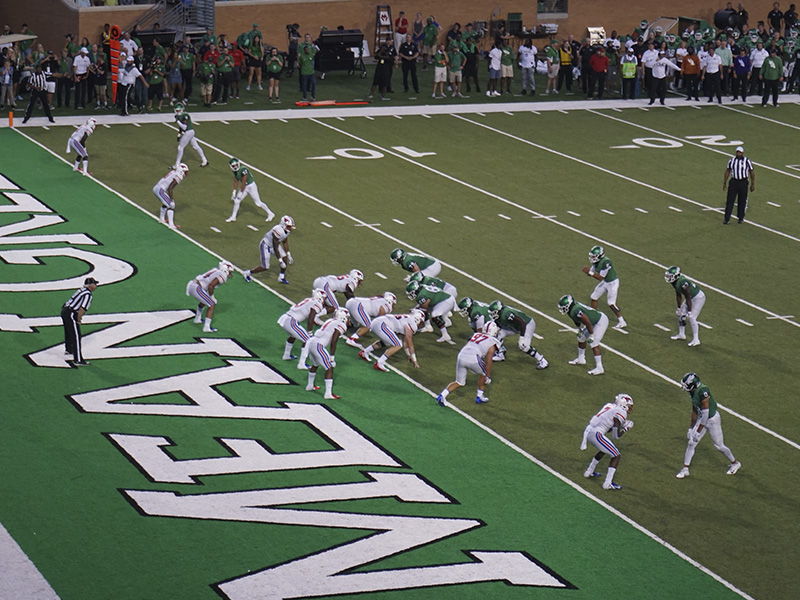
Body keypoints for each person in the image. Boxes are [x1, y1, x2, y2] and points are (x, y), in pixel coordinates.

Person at [675, 373, 741, 479]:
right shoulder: (692, 392)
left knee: (719, 446)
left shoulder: (703, 391)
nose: (684, 387)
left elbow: (706, 415)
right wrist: (691, 428)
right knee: (691, 443)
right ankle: (685, 469)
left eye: (686, 385)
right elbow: (695, 410)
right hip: (702, 418)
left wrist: (697, 431)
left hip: (712, 420)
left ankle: (735, 463)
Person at [436, 321, 501, 406]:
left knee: (459, 382)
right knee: (484, 373)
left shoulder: (476, 335)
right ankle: (479, 396)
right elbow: (489, 360)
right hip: (473, 357)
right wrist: (488, 376)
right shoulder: (492, 341)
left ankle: (442, 395)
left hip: (461, 355)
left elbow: (468, 345)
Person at [580, 393, 634, 490]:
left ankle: (589, 472)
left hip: (590, 432)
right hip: (596, 434)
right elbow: (615, 436)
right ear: (623, 404)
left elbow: (608, 428)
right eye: (629, 406)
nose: (630, 408)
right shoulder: (620, 411)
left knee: (604, 449)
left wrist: (621, 425)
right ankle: (607, 483)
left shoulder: (610, 407)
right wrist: (626, 429)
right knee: (616, 455)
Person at [487, 300, 549, 368]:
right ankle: (500, 354)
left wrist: (521, 338)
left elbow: (522, 323)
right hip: (514, 326)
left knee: (523, 346)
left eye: (494, 313)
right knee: (496, 334)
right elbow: (498, 324)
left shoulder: (507, 314)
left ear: (499, 310)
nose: (492, 315)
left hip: (527, 324)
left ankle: (542, 360)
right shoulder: (499, 316)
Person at [358, 309, 425, 371]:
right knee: (398, 344)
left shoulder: (408, 318)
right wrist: (415, 360)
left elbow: (405, 342)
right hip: (381, 325)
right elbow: (410, 345)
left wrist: (408, 355)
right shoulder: (412, 324)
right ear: (417, 319)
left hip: (377, 322)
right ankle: (379, 362)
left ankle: (364, 352)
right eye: (421, 322)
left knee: (387, 342)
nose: (420, 324)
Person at [303, 307, 349, 399]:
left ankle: (310, 385)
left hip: (312, 343)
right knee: (329, 367)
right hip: (318, 345)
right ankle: (328, 393)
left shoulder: (330, 320)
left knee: (315, 364)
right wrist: (332, 358)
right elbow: (334, 341)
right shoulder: (341, 325)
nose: (348, 319)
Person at [558, 294, 608, 375]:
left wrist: (591, 334)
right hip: (593, 322)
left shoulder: (577, 310)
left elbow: (587, 322)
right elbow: (575, 319)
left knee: (593, 343)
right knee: (581, 338)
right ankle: (581, 359)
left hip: (600, 321)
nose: (562, 309)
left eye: (564, 307)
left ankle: (599, 368)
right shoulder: (571, 310)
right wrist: (579, 329)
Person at [583, 245, 627, 329]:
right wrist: (587, 272)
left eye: (594, 256)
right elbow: (591, 273)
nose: (592, 258)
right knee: (594, 296)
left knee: (611, 303)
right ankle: (594, 317)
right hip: (606, 282)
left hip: (612, 283)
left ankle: (622, 321)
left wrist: (590, 273)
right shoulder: (596, 263)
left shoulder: (606, 262)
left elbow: (600, 277)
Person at [243, 215, 295, 284]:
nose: (290, 228)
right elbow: (275, 246)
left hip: (274, 245)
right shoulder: (278, 230)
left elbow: (284, 242)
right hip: (266, 245)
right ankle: (247, 273)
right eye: (289, 226)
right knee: (265, 267)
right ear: (283, 225)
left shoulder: (286, 231)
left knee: (284, 258)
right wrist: (280, 261)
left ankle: (281, 277)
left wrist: (289, 254)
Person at [278, 289, 326, 361]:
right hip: (291, 321)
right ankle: (302, 363)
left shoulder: (308, 300)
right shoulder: (316, 304)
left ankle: (286, 355)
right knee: (308, 341)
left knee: (293, 335)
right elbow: (311, 319)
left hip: (284, 318)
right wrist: (310, 333)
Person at [186, 261, 234, 333]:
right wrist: (212, 297)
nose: (230, 273)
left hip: (194, 285)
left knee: (205, 301)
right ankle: (206, 327)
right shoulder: (222, 275)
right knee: (211, 304)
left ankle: (197, 319)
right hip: (197, 287)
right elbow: (211, 286)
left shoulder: (216, 270)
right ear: (225, 269)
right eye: (229, 271)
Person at [664, 266, 706, 346]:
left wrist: (690, 311)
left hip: (698, 297)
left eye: (670, 276)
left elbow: (687, 297)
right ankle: (681, 334)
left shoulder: (683, 282)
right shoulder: (675, 282)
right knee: (681, 313)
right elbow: (678, 295)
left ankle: (696, 339)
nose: (668, 277)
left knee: (692, 317)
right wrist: (679, 307)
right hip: (691, 298)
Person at [61, 277, 98, 366]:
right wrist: (79, 319)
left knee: (69, 332)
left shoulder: (81, 290)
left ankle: (69, 349)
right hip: (71, 313)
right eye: (95, 284)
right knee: (76, 336)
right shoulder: (88, 294)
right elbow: (82, 309)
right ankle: (78, 359)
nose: (96, 286)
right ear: (90, 285)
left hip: (64, 311)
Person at [226, 157, 274, 223]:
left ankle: (270, 213)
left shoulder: (243, 170)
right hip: (245, 187)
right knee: (237, 201)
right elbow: (236, 180)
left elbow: (243, 181)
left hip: (251, 186)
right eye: (233, 166)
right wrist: (234, 191)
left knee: (258, 203)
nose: (235, 167)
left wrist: (240, 192)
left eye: (236, 165)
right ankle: (233, 217)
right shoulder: (235, 171)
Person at [722, 146, 756, 224]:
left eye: (740, 152)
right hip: (734, 182)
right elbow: (728, 171)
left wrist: (752, 183)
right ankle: (727, 218)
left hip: (743, 182)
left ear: (742, 153)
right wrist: (725, 182)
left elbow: (751, 172)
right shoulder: (732, 160)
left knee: (742, 201)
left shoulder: (747, 161)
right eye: (737, 152)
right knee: (730, 201)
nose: (738, 153)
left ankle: (741, 218)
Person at [152, 163, 189, 230]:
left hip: (157, 188)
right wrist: (172, 199)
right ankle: (171, 225)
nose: (186, 174)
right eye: (185, 172)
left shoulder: (173, 172)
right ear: (181, 171)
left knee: (166, 202)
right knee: (171, 205)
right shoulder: (179, 175)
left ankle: (161, 219)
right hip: (160, 190)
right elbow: (170, 188)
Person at [174, 102, 208, 168]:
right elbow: (181, 128)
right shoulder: (180, 116)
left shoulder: (185, 115)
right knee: (195, 146)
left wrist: (177, 121)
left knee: (180, 147)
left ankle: (177, 164)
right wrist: (179, 134)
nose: (178, 112)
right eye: (177, 110)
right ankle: (204, 160)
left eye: (179, 110)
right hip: (189, 132)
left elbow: (185, 127)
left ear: (182, 109)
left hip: (189, 132)